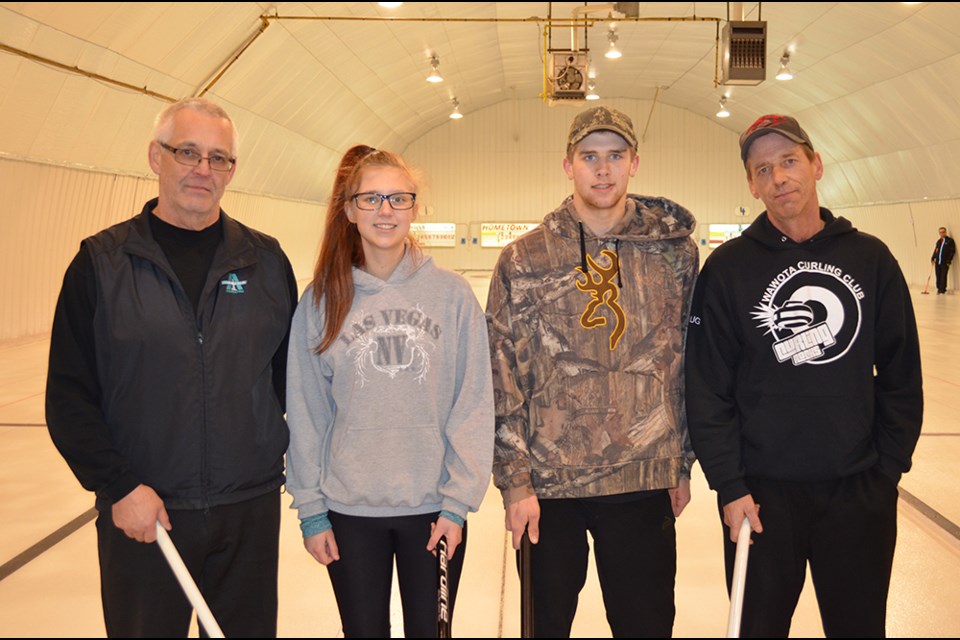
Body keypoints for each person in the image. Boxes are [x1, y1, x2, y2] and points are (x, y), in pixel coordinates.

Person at [44, 98, 298, 638]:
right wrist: (119, 486)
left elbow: (290, 385)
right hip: (145, 515)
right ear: (156, 157)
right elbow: (68, 397)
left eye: (219, 158)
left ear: (231, 171)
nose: (203, 170)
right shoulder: (100, 264)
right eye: (188, 152)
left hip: (246, 511)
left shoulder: (267, 262)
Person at [685, 114, 923, 637]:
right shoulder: (727, 270)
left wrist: (885, 473)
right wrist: (730, 485)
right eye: (763, 169)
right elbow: (707, 389)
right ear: (751, 183)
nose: (779, 178)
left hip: (858, 492)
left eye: (789, 161)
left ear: (816, 165)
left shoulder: (871, 259)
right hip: (761, 499)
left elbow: (902, 374)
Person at [486, 106, 699, 638]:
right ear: (568, 166)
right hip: (549, 488)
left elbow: (690, 362)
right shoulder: (523, 259)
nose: (602, 170)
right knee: (546, 626)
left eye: (614, 156)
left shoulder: (675, 255)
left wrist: (681, 462)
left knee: (645, 625)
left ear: (634, 164)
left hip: (643, 479)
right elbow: (502, 374)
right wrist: (514, 482)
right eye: (589, 157)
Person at [284, 145, 494, 638]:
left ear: (415, 208)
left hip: (432, 510)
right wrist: (312, 511)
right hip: (351, 511)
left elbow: (474, 403)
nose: (385, 210)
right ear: (350, 209)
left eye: (399, 198)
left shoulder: (452, 295)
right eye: (372, 198)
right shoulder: (320, 300)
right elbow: (307, 410)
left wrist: (457, 503)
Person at [931, 226, 954, 294]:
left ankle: (943, 289)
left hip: (945, 262)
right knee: (938, 275)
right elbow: (936, 250)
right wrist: (933, 257)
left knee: (943, 276)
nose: (942, 234)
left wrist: (949, 260)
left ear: (945, 232)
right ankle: (938, 288)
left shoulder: (949, 241)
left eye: (943, 232)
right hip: (938, 262)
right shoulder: (939, 242)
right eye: (940, 232)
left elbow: (952, 251)